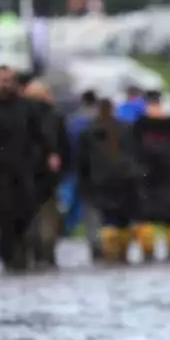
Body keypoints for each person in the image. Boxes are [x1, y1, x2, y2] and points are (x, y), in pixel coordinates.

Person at [0, 66, 49, 272]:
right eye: (1, 80)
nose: (5, 85)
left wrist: (42, 157)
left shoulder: (26, 107)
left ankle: (21, 248)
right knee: (3, 213)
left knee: (26, 211)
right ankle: (9, 254)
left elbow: (38, 135)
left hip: (24, 169)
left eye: (8, 80)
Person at [131, 91, 170, 261]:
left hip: (146, 168)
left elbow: (133, 148)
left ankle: (148, 248)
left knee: (145, 209)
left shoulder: (140, 123)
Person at [77, 99, 139, 263]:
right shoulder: (126, 128)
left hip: (99, 181)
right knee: (122, 221)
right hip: (123, 179)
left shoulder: (88, 131)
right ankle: (122, 253)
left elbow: (82, 161)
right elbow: (134, 154)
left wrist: (84, 183)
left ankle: (109, 253)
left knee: (106, 220)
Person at [22, 79, 69, 268]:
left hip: (25, 173)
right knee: (48, 214)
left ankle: (35, 251)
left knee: (30, 214)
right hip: (48, 174)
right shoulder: (54, 115)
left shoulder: (20, 114)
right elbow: (64, 145)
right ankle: (47, 253)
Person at [63, 90, 102, 256]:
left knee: (80, 203)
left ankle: (71, 229)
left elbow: (68, 146)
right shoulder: (103, 120)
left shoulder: (74, 122)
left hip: (78, 169)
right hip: (101, 171)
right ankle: (101, 239)